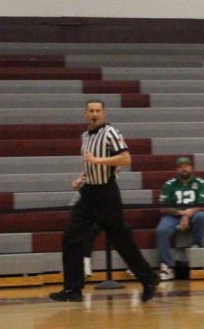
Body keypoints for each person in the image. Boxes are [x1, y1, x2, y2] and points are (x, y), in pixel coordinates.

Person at [50, 100, 158, 302]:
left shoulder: (111, 133)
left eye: (98, 111)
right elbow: (90, 163)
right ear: (85, 114)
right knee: (70, 237)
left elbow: (126, 159)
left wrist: (98, 161)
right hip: (88, 192)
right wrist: (81, 177)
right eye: (91, 110)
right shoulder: (85, 136)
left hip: (107, 194)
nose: (94, 114)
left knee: (121, 240)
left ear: (104, 113)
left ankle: (149, 278)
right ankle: (72, 289)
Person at [155, 156, 204, 281]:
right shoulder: (169, 184)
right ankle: (166, 266)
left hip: (193, 214)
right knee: (161, 230)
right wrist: (181, 213)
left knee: (202, 217)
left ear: (191, 168)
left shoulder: (201, 183)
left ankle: (197, 246)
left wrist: (188, 213)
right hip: (174, 215)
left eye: (186, 166)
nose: (183, 169)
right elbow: (162, 208)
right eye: (180, 167)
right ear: (176, 170)